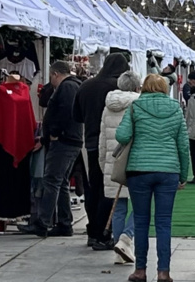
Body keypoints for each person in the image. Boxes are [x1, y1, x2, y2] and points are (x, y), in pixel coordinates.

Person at [116, 74, 191, 282]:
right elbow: (183, 145)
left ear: (144, 87)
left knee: (140, 221)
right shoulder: (176, 108)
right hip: (168, 170)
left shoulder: (135, 107)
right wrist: (183, 175)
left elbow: (122, 136)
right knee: (164, 222)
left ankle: (140, 271)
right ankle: (163, 272)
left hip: (139, 169)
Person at [20, 61, 82, 237]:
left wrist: (54, 132)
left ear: (55, 74)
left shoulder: (67, 87)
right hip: (67, 139)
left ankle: (42, 222)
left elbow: (65, 112)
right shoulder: (72, 86)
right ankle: (64, 223)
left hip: (64, 140)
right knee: (60, 182)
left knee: (52, 180)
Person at [76, 52, 131, 249]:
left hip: (89, 141)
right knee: (110, 189)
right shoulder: (118, 89)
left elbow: (77, 115)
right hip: (114, 144)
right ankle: (105, 232)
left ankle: (93, 231)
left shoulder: (86, 86)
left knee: (93, 188)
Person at [100, 71, 142, 265]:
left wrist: (103, 163)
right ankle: (126, 238)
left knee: (118, 208)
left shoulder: (108, 106)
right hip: (135, 161)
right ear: (136, 86)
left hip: (113, 161)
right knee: (141, 205)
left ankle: (119, 250)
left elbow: (102, 140)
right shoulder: (139, 104)